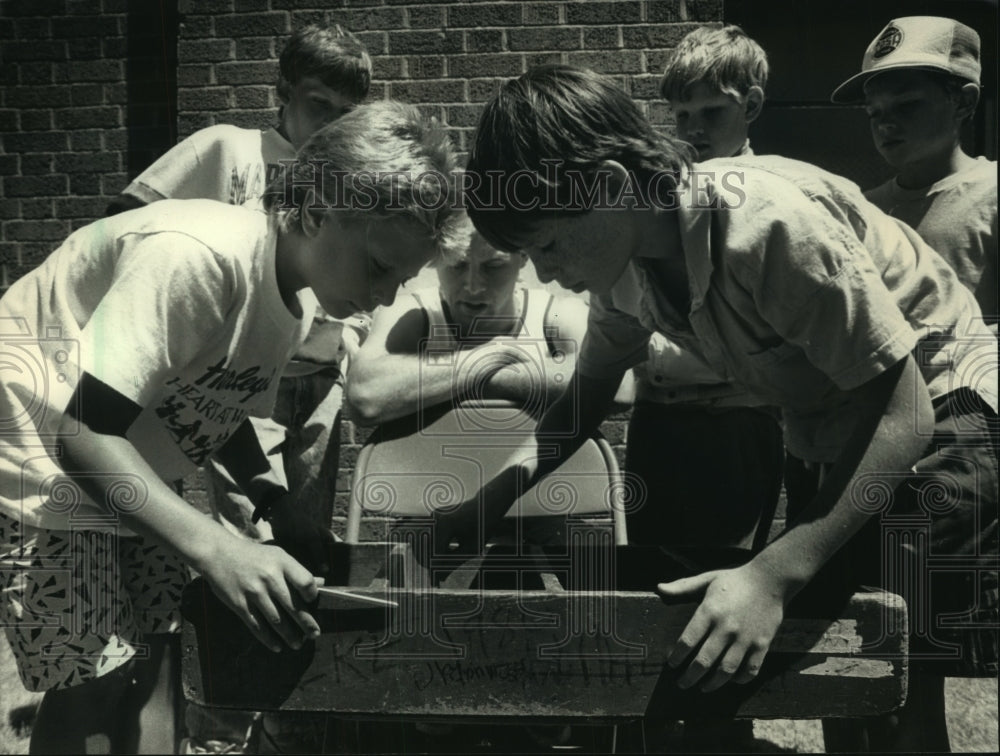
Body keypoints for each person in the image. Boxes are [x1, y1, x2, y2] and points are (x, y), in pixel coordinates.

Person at [456, 65, 997, 753]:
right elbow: (579, 405)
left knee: (892, 671)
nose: (541, 271)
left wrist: (771, 572)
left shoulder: (764, 225)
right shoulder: (625, 265)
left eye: (549, 244)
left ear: (614, 189)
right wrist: (473, 510)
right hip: (834, 426)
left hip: (942, 411)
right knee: (833, 667)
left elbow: (904, 413)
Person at [0, 100, 461, 755]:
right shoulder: (200, 257)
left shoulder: (295, 309)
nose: (384, 298)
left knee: (161, 665)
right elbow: (83, 432)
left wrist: (271, 499)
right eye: (380, 268)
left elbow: (217, 406)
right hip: (39, 456)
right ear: (319, 210)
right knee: (92, 681)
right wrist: (218, 548)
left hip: (130, 464)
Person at [105, 24, 373, 753]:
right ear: (280, 96)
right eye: (319, 106)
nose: (330, 127)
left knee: (301, 542)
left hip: (314, 380)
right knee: (241, 539)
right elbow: (127, 220)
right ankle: (219, 728)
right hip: (235, 381)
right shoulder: (228, 149)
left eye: (346, 115)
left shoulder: (342, 176)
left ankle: (285, 720)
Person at [832, 15, 997, 329]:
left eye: (906, 105)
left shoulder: (991, 192)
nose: (885, 124)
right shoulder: (863, 210)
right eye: (873, 112)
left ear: (963, 101)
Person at [346, 222, 589, 427]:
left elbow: (619, 387)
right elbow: (363, 397)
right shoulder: (413, 312)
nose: (473, 286)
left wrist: (468, 377)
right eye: (457, 266)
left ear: (524, 257)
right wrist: (494, 354)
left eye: (493, 266)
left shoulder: (555, 315)